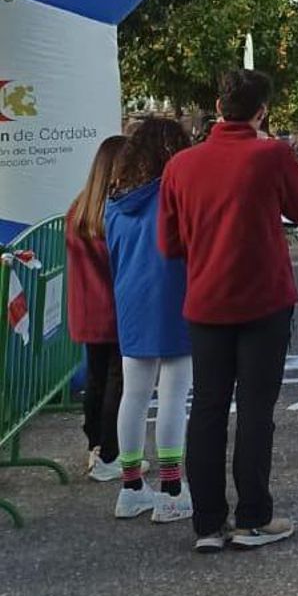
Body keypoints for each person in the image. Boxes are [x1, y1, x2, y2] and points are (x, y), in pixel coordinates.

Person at [158, 68, 298, 551]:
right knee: (255, 410)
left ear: (217, 107)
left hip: (206, 301)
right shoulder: (272, 154)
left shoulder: (181, 165)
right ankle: (253, 518)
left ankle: (207, 523)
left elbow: (169, 243)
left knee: (206, 407)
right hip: (265, 299)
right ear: (262, 111)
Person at [104, 118, 194, 523]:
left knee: (135, 395)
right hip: (173, 296)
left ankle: (131, 488)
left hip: (130, 301)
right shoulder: (174, 196)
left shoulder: (115, 202)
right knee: (174, 394)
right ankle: (172, 489)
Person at [67, 135, 128, 482]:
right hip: (117, 309)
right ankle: (109, 453)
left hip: (87, 310)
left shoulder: (78, 210)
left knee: (96, 379)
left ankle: (95, 446)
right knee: (118, 382)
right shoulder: (115, 211)